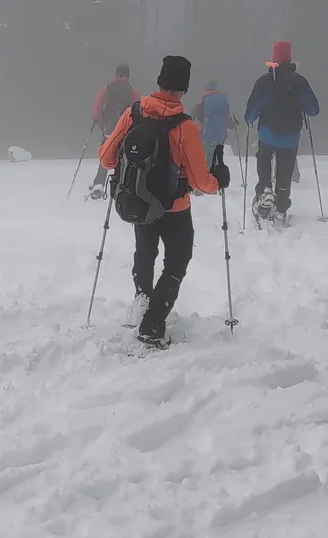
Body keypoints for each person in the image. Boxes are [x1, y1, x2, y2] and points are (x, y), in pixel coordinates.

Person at [97, 55, 231, 346]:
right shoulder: (184, 128)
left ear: (159, 81)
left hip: (140, 203)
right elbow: (200, 182)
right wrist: (220, 179)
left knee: (145, 253)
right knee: (177, 261)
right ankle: (153, 322)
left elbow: (106, 157)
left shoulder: (133, 114)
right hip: (175, 209)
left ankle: (142, 301)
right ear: (183, 88)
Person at [243, 42, 319, 219]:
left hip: (268, 133)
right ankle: (281, 205)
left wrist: (249, 120)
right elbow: (313, 110)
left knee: (263, 158)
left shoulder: (264, 82)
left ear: (273, 58)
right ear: (290, 58)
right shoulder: (299, 82)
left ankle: (265, 190)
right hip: (291, 136)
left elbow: (252, 110)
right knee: (286, 167)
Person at [88, 64, 138, 198]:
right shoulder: (131, 92)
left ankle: (99, 183)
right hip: (125, 131)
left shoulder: (106, 89)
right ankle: (120, 183)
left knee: (105, 154)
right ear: (127, 76)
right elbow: (138, 109)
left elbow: (96, 108)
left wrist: (98, 121)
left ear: (117, 74)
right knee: (123, 157)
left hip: (108, 129)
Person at [194, 80, 233, 154]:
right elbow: (228, 121)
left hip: (205, 136)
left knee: (206, 157)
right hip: (220, 136)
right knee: (217, 156)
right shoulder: (222, 102)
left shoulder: (202, 102)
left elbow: (196, 118)